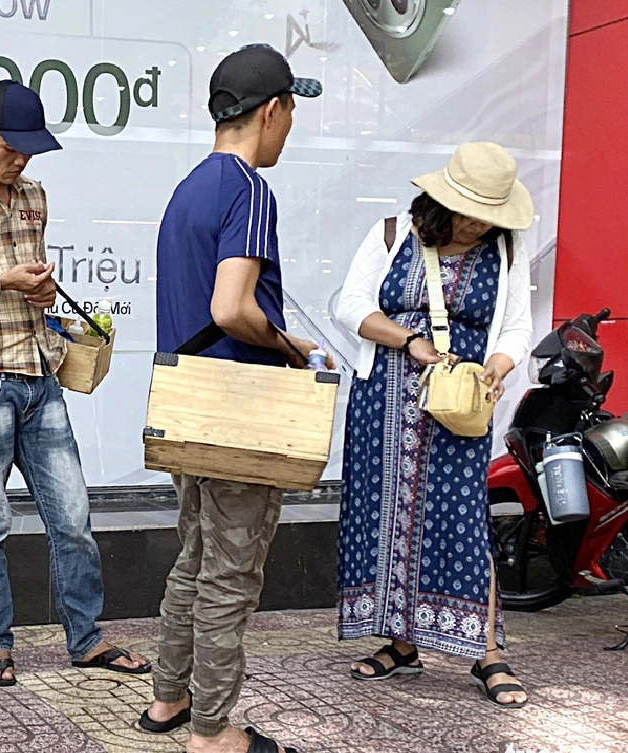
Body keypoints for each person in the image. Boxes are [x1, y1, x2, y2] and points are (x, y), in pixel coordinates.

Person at [0, 80, 150, 687]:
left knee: (73, 518)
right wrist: (0, 283)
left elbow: (29, 286)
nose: (21, 161)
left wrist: (40, 292)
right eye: (12, 148)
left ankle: (86, 639)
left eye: (30, 151)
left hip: (42, 375)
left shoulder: (34, 193)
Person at [139, 45, 329, 753]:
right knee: (230, 571)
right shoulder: (248, 189)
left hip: (190, 405)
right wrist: (287, 346)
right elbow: (230, 306)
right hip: (239, 408)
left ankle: (169, 697)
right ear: (273, 110)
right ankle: (213, 729)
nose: (288, 128)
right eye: (290, 113)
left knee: (194, 553)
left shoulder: (188, 187)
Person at [335, 142, 533, 708]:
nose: (478, 225)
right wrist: (410, 341)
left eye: (489, 215)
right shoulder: (393, 233)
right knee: (386, 516)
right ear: (442, 201)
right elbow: (349, 305)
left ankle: (488, 652)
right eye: (470, 212)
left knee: (463, 516)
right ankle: (401, 645)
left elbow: (516, 329)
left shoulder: (508, 250)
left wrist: (497, 366)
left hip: (459, 404)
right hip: (384, 398)